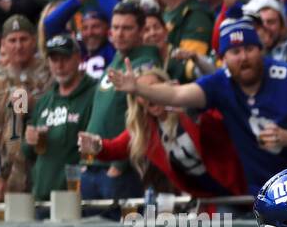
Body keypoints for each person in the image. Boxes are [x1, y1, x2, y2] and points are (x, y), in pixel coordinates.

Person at [108, 18, 287, 193]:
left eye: (249, 48)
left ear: (261, 50)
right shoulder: (220, 83)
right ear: (223, 58)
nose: (243, 57)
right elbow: (176, 94)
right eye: (235, 52)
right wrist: (138, 88)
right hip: (259, 195)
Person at [77, 66, 247, 197]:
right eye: (141, 91)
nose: (149, 95)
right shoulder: (147, 129)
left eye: (153, 88)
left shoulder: (191, 109)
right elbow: (114, 148)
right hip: (208, 197)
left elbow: (226, 121)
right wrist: (96, 145)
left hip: (241, 187)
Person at [82, 0, 160, 207]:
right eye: (115, 27)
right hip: (93, 164)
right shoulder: (118, 58)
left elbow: (145, 118)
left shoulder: (146, 63)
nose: (119, 34)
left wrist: (120, 165)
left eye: (127, 28)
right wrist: (87, 161)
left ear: (142, 31)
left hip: (121, 171)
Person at [0, 15, 50, 203]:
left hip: (47, 171)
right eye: (13, 40)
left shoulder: (52, 72)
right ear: (3, 44)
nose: (18, 46)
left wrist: (34, 105)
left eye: (23, 39)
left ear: (34, 40)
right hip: (9, 178)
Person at [23, 34, 97, 204]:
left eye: (65, 58)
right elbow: (27, 152)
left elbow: (94, 149)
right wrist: (29, 141)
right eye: (54, 60)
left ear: (78, 58)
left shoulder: (94, 94)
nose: (59, 65)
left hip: (76, 198)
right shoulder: (45, 101)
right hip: (41, 197)